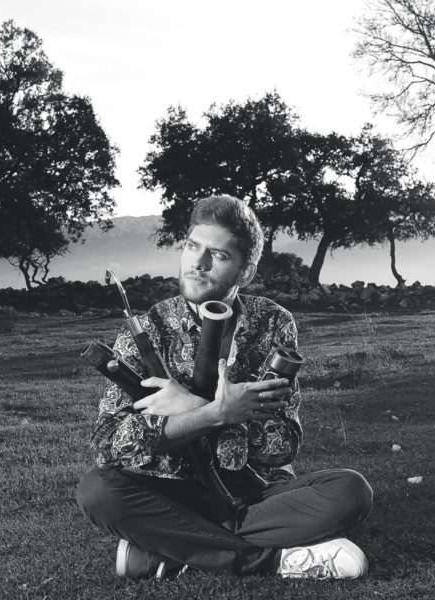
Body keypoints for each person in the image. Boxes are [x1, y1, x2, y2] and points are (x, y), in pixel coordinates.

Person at [76, 195, 373, 580]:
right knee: (97, 492)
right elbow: (108, 445)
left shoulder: (273, 323)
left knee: (351, 492)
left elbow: (280, 445)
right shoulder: (149, 327)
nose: (197, 264)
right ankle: (269, 559)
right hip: (171, 494)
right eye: (191, 247)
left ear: (245, 272)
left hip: (255, 492)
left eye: (217, 255)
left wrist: (198, 407)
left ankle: (172, 551)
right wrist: (214, 412)